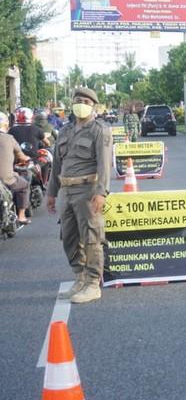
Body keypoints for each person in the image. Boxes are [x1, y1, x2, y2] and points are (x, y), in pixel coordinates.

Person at [47, 87, 113, 304]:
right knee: (69, 237)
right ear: (72, 102)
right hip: (65, 190)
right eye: (78, 99)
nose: (81, 103)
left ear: (93, 106)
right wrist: (51, 193)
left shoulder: (99, 130)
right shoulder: (65, 131)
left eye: (86, 100)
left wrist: (101, 192)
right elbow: (57, 163)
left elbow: (104, 164)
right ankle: (80, 277)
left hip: (87, 190)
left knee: (92, 237)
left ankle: (93, 283)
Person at [0, 113, 32, 224]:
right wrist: (27, 159)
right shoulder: (9, 138)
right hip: (6, 179)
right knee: (25, 185)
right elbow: (22, 156)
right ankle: (21, 216)